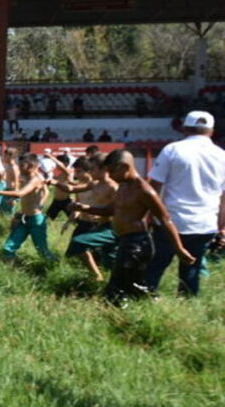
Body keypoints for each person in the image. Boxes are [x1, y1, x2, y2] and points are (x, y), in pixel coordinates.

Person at [68, 150, 195, 306]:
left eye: (112, 171)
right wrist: (83, 207)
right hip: (125, 241)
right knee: (134, 286)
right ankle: (153, 302)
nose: (110, 176)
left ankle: (118, 311)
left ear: (124, 167)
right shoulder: (122, 187)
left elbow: (165, 218)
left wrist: (179, 248)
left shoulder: (144, 190)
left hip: (137, 244)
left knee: (116, 289)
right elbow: (110, 210)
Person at [146, 111, 225, 297]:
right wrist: (222, 226)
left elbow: (154, 186)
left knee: (156, 265)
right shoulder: (221, 155)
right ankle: (187, 301)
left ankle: (147, 296)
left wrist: (149, 215)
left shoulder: (172, 150)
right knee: (191, 269)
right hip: (204, 224)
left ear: (184, 129)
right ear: (211, 131)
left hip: (171, 221)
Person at [58, 155, 118, 281]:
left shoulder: (113, 187)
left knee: (80, 243)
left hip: (112, 228)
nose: (90, 172)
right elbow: (72, 189)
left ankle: (101, 278)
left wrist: (84, 208)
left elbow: (114, 211)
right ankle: (101, 278)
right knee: (108, 261)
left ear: (104, 169)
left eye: (93, 169)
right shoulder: (94, 184)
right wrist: (55, 183)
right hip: (101, 226)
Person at [0, 154, 55, 261]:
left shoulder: (36, 179)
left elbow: (21, 193)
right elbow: (25, 194)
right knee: (8, 248)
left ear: (31, 166)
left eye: (22, 166)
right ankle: (11, 267)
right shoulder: (25, 177)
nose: (19, 168)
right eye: (19, 165)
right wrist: (13, 199)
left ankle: (54, 264)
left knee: (42, 250)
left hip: (35, 220)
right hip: (24, 218)